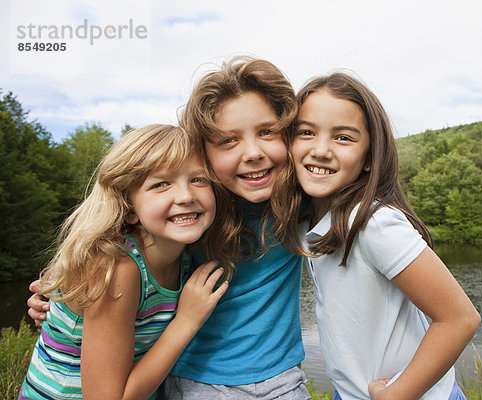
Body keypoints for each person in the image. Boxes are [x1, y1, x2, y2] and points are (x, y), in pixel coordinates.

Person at [29, 57, 310, 399]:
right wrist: (64, 300)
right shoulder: (135, 258)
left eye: (267, 131)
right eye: (227, 140)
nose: (186, 196)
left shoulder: (292, 199)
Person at [283, 73, 481, 400]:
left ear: (369, 158)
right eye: (306, 132)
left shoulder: (373, 223)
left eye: (343, 138)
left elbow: (459, 318)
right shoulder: (309, 220)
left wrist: (397, 394)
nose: (320, 149)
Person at [19, 124, 228, 400]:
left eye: (198, 179)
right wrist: (186, 321)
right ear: (129, 209)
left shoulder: (186, 258)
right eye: (160, 184)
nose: (186, 196)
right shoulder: (117, 269)